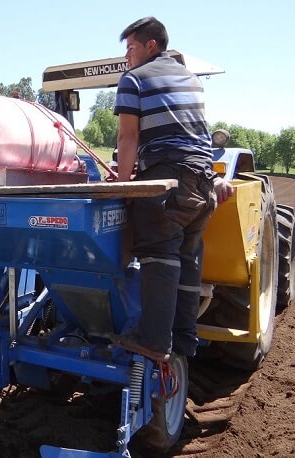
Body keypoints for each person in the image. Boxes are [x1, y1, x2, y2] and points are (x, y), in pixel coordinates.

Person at [113, 17, 233, 362]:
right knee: (187, 259)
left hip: (169, 180)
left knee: (158, 254)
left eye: (131, 48)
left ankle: (152, 340)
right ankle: (183, 340)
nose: (127, 57)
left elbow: (128, 137)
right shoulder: (191, 80)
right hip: (202, 182)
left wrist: (124, 187)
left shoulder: (133, 80)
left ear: (152, 46)